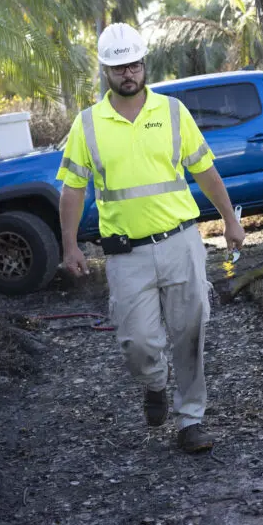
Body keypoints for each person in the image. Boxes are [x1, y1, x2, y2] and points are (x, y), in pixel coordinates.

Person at [56, 23, 245, 453]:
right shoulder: (87, 125)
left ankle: (191, 420)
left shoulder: (173, 113)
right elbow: (72, 189)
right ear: (105, 70)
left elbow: (204, 170)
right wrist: (70, 245)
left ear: (145, 65)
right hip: (126, 255)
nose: (129, 73)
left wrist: (229, 221)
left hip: (181, 243)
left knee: (190, 331)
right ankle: (155, 384)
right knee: (139, 342)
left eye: (134, 64)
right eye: (119, 66)